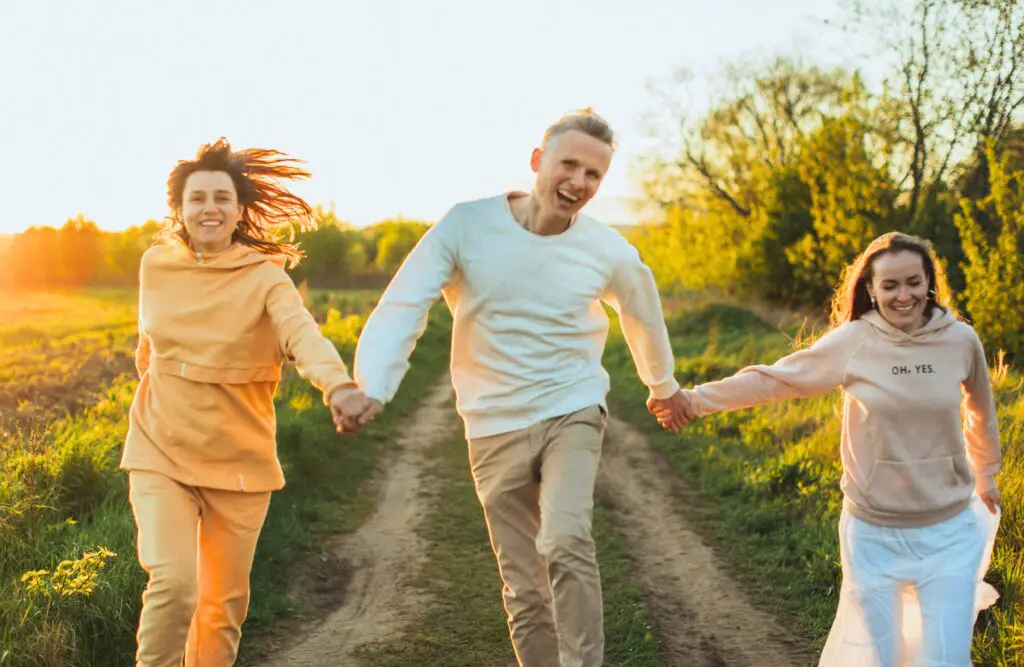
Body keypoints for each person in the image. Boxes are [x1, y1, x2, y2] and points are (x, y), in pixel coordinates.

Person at [348, 108, 692, 666]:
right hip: (491, 422)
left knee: (564, 539)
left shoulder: (605, 249)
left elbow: (642, 313)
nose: (579, 183)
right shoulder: (466, 226)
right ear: (538, 161)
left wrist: (662, 383)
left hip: (572, 407)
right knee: (524, 585)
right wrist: (374, 386)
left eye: (594, 176)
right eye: (570, 165)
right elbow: (405, 301)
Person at [656, 232, 1002, 666]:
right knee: (886, 658)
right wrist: (694, 400)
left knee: (946, 659)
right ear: (870, 289)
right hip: (875, 534)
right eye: (889, 285)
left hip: (948, 531)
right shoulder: (854, 340)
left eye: (913, 282)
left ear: (929, 282)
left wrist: (986, 474)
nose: (903, 295)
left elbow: (981, 413)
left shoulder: (960, 340)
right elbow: (777, 380)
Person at [120, 138, 372, 666]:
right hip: (160, 449)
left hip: (239, 462)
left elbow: (302, 334)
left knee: (221, 608)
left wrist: (338, 385)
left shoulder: (265, 278)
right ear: (179, 209)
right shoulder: (154, 266)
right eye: (197, 198)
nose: (208, 207)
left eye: (221, 197)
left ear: (239, 210)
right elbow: (149, 345)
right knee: (173, 583)